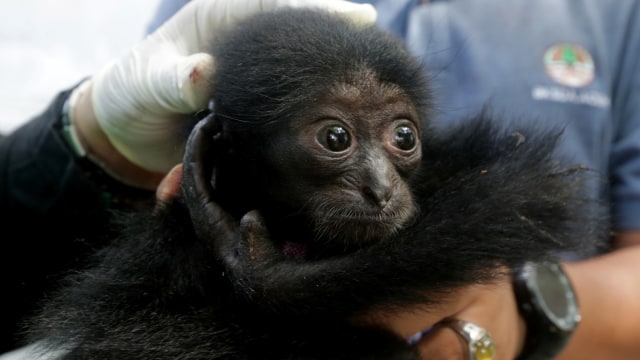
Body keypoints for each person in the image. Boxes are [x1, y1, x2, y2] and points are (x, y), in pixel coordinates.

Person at [0, 0, 638, 359]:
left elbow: (517, 196)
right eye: (335, 141)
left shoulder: (610, 14)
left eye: (402, 139)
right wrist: (90, 141)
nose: (381, 184)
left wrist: (528, 308)